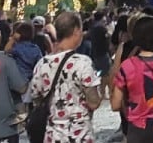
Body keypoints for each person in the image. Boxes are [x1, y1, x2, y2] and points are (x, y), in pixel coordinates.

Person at [28, 11, 102, 143]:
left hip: (53, 135)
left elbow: (36, 98)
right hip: (79, 135)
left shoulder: (42, 64)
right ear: (75, 31)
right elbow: (94, 102)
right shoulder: (83, 62)